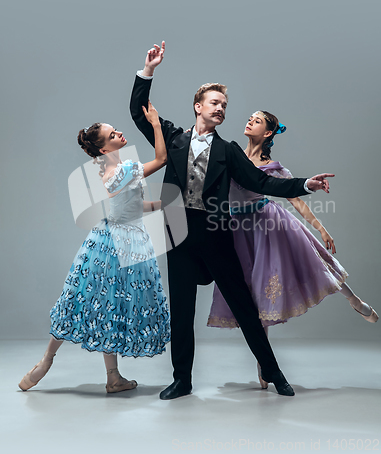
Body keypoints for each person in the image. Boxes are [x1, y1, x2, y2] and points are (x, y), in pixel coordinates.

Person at [129, 41, 335, 399]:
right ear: (198, 107)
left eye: (225, 105)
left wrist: (304, 184)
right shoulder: (173, 138)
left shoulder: (229, 150)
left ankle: (273, 372)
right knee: (181, 309)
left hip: (215, 235)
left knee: (244, 306)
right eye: (215, 103)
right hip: (177, 234)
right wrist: (148, 71)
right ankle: (182, 380)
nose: (221, 109)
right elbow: (138, 110)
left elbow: (261, 182)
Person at [207, 110, 378, 388]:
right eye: (250, 117)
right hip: (238, 231)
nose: (249, 121)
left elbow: (294, 198)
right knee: (253, 292)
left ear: (268, 133)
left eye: (258, 120)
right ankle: (264, 362)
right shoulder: (231, 156)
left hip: (267, 226)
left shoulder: (271, 165)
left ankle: (354, 300)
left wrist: (321, 228)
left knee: (315, 262)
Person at [18, 101, 171, 393]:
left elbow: (133, 206)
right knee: (94, 302)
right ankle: (47, 362)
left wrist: (163, 205)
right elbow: (162, 159)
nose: (119, 134)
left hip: (114, 238)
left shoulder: (115, 172)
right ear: (104, 149)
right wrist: (155, 125)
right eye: (113, 135)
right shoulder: (122, 170)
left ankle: (109, 376)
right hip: (119, 243)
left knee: (101, 303)